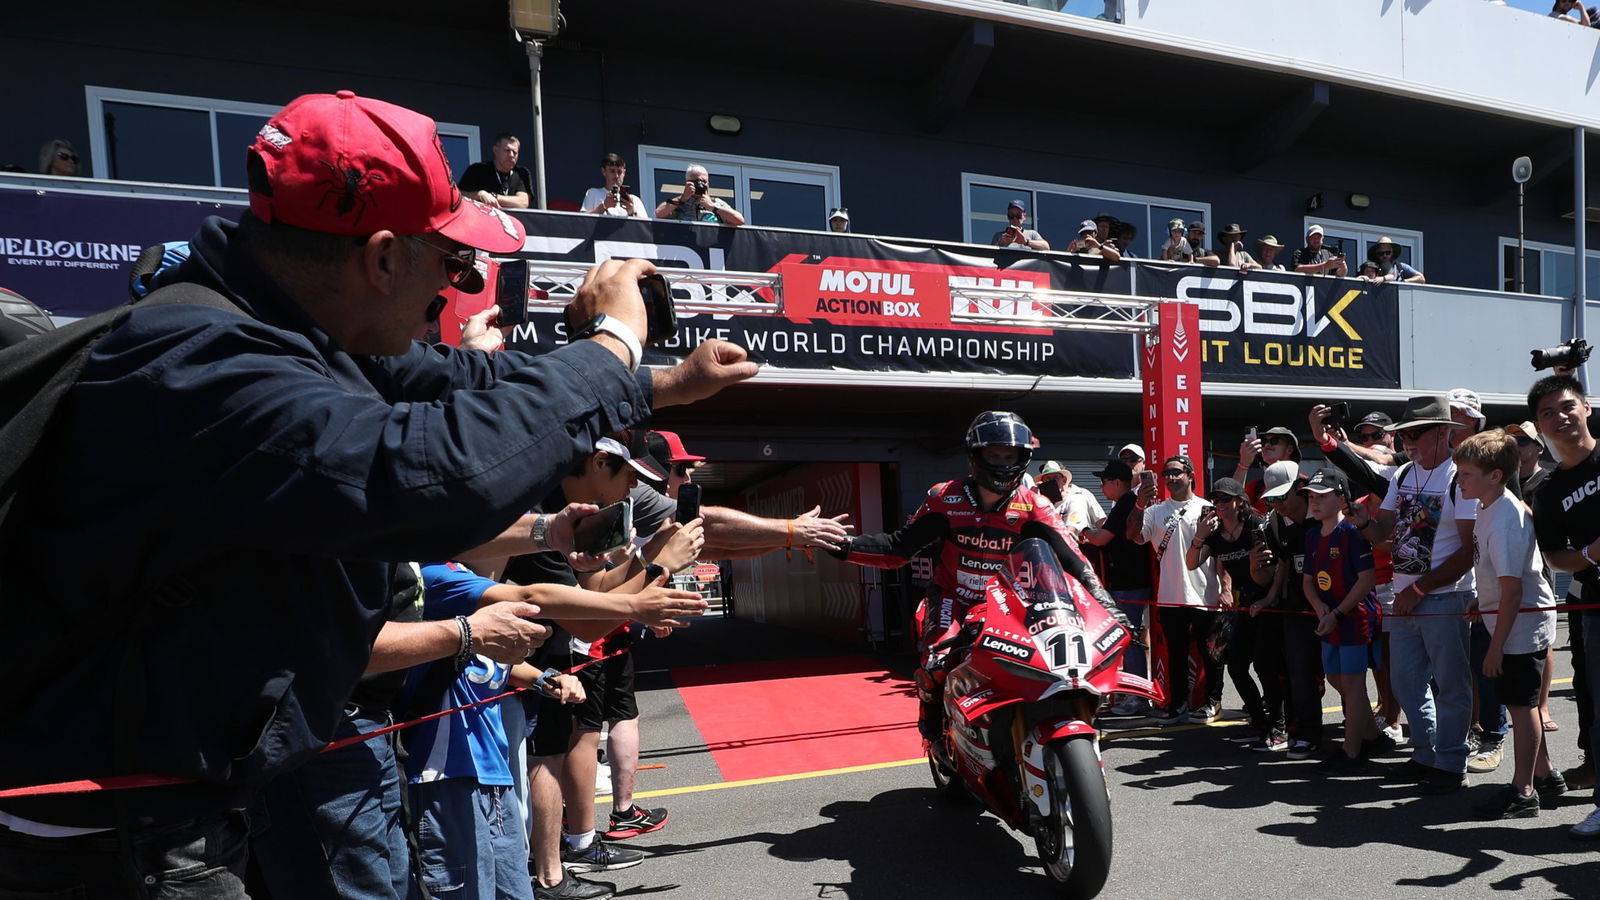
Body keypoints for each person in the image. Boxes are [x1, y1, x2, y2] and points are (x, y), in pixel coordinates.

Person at [0, 90, 754, 897]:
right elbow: (431, 481)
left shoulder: (292, 339)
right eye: (453, 263)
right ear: (385, 257)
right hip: (109, 842)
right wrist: (612, 344)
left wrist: (657, 382)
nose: (456, 288)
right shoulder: (205, 362)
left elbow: (467, 379)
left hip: (179, 808)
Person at [830, 411, 1127, 741]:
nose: (1002, 463)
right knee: (936, 660)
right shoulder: (944, 498)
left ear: (1022, 458)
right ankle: (933, 730)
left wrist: (1108, 607)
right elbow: (897, 549)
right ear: (976, 455)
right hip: (951, 597)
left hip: (1015, 603)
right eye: (994, 455)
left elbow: (1076, 562)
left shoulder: (1034, 505)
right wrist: (840, 544)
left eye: (1009, 455)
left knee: (1062, 659)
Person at [402, 561, 585, 900]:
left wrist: (543, 679)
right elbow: (534, 596)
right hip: (445, 774)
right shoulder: (440, 577)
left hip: (495, 775)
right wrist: (636, 606)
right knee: (469, 892)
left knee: (515, 891)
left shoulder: (478, 581)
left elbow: (494, 661)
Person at [1352, 395, 1478, 794]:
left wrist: (1421, 588)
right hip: (1405, 597)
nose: (1408, 442)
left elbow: (1468, 551)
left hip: (1445, 597)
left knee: (1451, 685)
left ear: (1444, 432)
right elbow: (1384, 532)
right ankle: (1425, 754)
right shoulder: (1404, 474)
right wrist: (1361, 523)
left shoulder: (1461, 477)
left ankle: (1450, 762)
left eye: (1416, 434)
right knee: (1406, 683)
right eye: (1403, 435)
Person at [1453, 430, 1562, 819]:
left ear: (1495, 475)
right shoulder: (1488, 506)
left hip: (1520, 624)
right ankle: (1546, 775)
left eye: (1466, 473)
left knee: (1522, 706)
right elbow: (1497, 578)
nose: (1459, 480)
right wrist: (1480, 601)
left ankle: (1524, 790)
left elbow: (1513, 591)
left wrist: (1495, 647)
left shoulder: (1504, 518)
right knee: (1522, 703)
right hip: (1506, 617)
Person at [1526, 374, 1600, 837]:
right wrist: (1594, 553)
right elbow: (1555, 556)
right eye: (1548, 412)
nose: (1560, 417)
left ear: (1586, 407)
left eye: (1567, 406)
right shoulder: (1548, 490)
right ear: (1540, 425)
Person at [1130, 455, 1223, 725]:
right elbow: (1134, 536)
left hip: (1205, 595)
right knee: (1176, 655)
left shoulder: (1207, 508)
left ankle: (1213, 702)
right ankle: (1178, 704)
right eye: (1165, 473)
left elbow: (1219, 554)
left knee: (1211, 653)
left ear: (1191, 474)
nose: (1170, 478)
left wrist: (1226, 587)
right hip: (1170, 596)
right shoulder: (1154, 510)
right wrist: (1139, 503)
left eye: (1176, 472)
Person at [1300, 469, 1381, 771]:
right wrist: (1320, 607)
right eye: (1311, 496)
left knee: (1353, 682)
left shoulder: (1351, 532)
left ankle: (1351, 751)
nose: (1315, 501)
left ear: (1340, 498)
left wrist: (1337, 613)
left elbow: (1366, 579)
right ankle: (1372, 735)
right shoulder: (1311, 535)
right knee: (1335, 678)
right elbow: (1308, 581)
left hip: (1353, 617)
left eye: (1322, 495)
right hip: (1329, 617)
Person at [1186, 478, 1275, 741]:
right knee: (1236, 666)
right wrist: (1199, 537)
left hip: (1269, 601)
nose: (1220, 505)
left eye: (1225, 499)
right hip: (1244, 604)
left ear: (1239, 501)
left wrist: (1266, 598)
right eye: (1216, 500)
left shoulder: (1255, 526)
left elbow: (1271, 572)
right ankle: (1259, 720)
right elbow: (1191, 563)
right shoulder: (1215, 535)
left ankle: (1278, 723)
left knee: (1265, 664)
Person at [1254, 461, 1322, 758]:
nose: (1278, 505)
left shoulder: (1324, 512)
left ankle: (1359, 734)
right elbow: (1283, 562)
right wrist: (1270, 596)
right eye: (1271, 498)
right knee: (1300, 674)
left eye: (1283, 497)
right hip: (1296, 610)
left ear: (1300, 489)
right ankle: (1308, 734)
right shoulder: (1274, 523)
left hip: (1337, 609)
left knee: (1344, 677)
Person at [1081, 459, 1154, 716]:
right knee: (1127, 638)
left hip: (1129, 583)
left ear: (1116, 482)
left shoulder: (1125, 503)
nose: (1101, 487)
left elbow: (1102, 538)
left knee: (1130, 638)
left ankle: (1137, 698)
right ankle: (1130, 694)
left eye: (1103, 482)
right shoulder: (1123, 504)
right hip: (1128, 582)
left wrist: (1084, 531)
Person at [458, 132, 532, 209]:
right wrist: (480, 194)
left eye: (515, 152)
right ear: (495, 150)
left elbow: (523, 202)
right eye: (507, 150)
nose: (511, 155)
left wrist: (494, 196)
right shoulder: (477, 170)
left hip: (511, 220)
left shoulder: (521, 173)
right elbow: (459, 195)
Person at [655, 165, 744, 226]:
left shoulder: (715, 202)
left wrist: (714, 207)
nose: (701, 185)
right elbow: (659, 213)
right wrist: (682, 199)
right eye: (697, 181)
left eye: (704, 182)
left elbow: (739, 220)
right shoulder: (678, 202)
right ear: (688, 183)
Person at [1037, 460, 1105, 537]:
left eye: (1055, 478)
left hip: (1080, 546)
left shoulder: (1082, 494)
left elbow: (1101, 523)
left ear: (1064, 480)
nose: (1052, 482)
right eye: (1048, 479)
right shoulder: (1041, 501)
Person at [581, 153, 649, 219]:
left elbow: (644, 227)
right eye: (612, 171)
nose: (616, 176)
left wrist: (631, 213)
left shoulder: (635, 200)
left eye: (619, 172)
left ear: (624, 173)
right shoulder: (593, 193)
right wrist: (603, 206)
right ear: (603, 171)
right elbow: (582, 220)